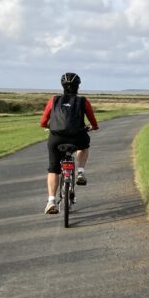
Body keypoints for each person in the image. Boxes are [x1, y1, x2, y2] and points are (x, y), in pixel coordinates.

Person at [40, 72, 99, 214]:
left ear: (62, 86)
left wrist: (48, 126)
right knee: (84, 147)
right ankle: (80, 171)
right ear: (78, 86)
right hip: (77, 137)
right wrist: (93, 127)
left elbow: (43, 121)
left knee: (53, 169)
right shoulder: (83, 101)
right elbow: (93, 121)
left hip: (56, 138)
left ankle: (51, 201)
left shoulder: (53, 100)